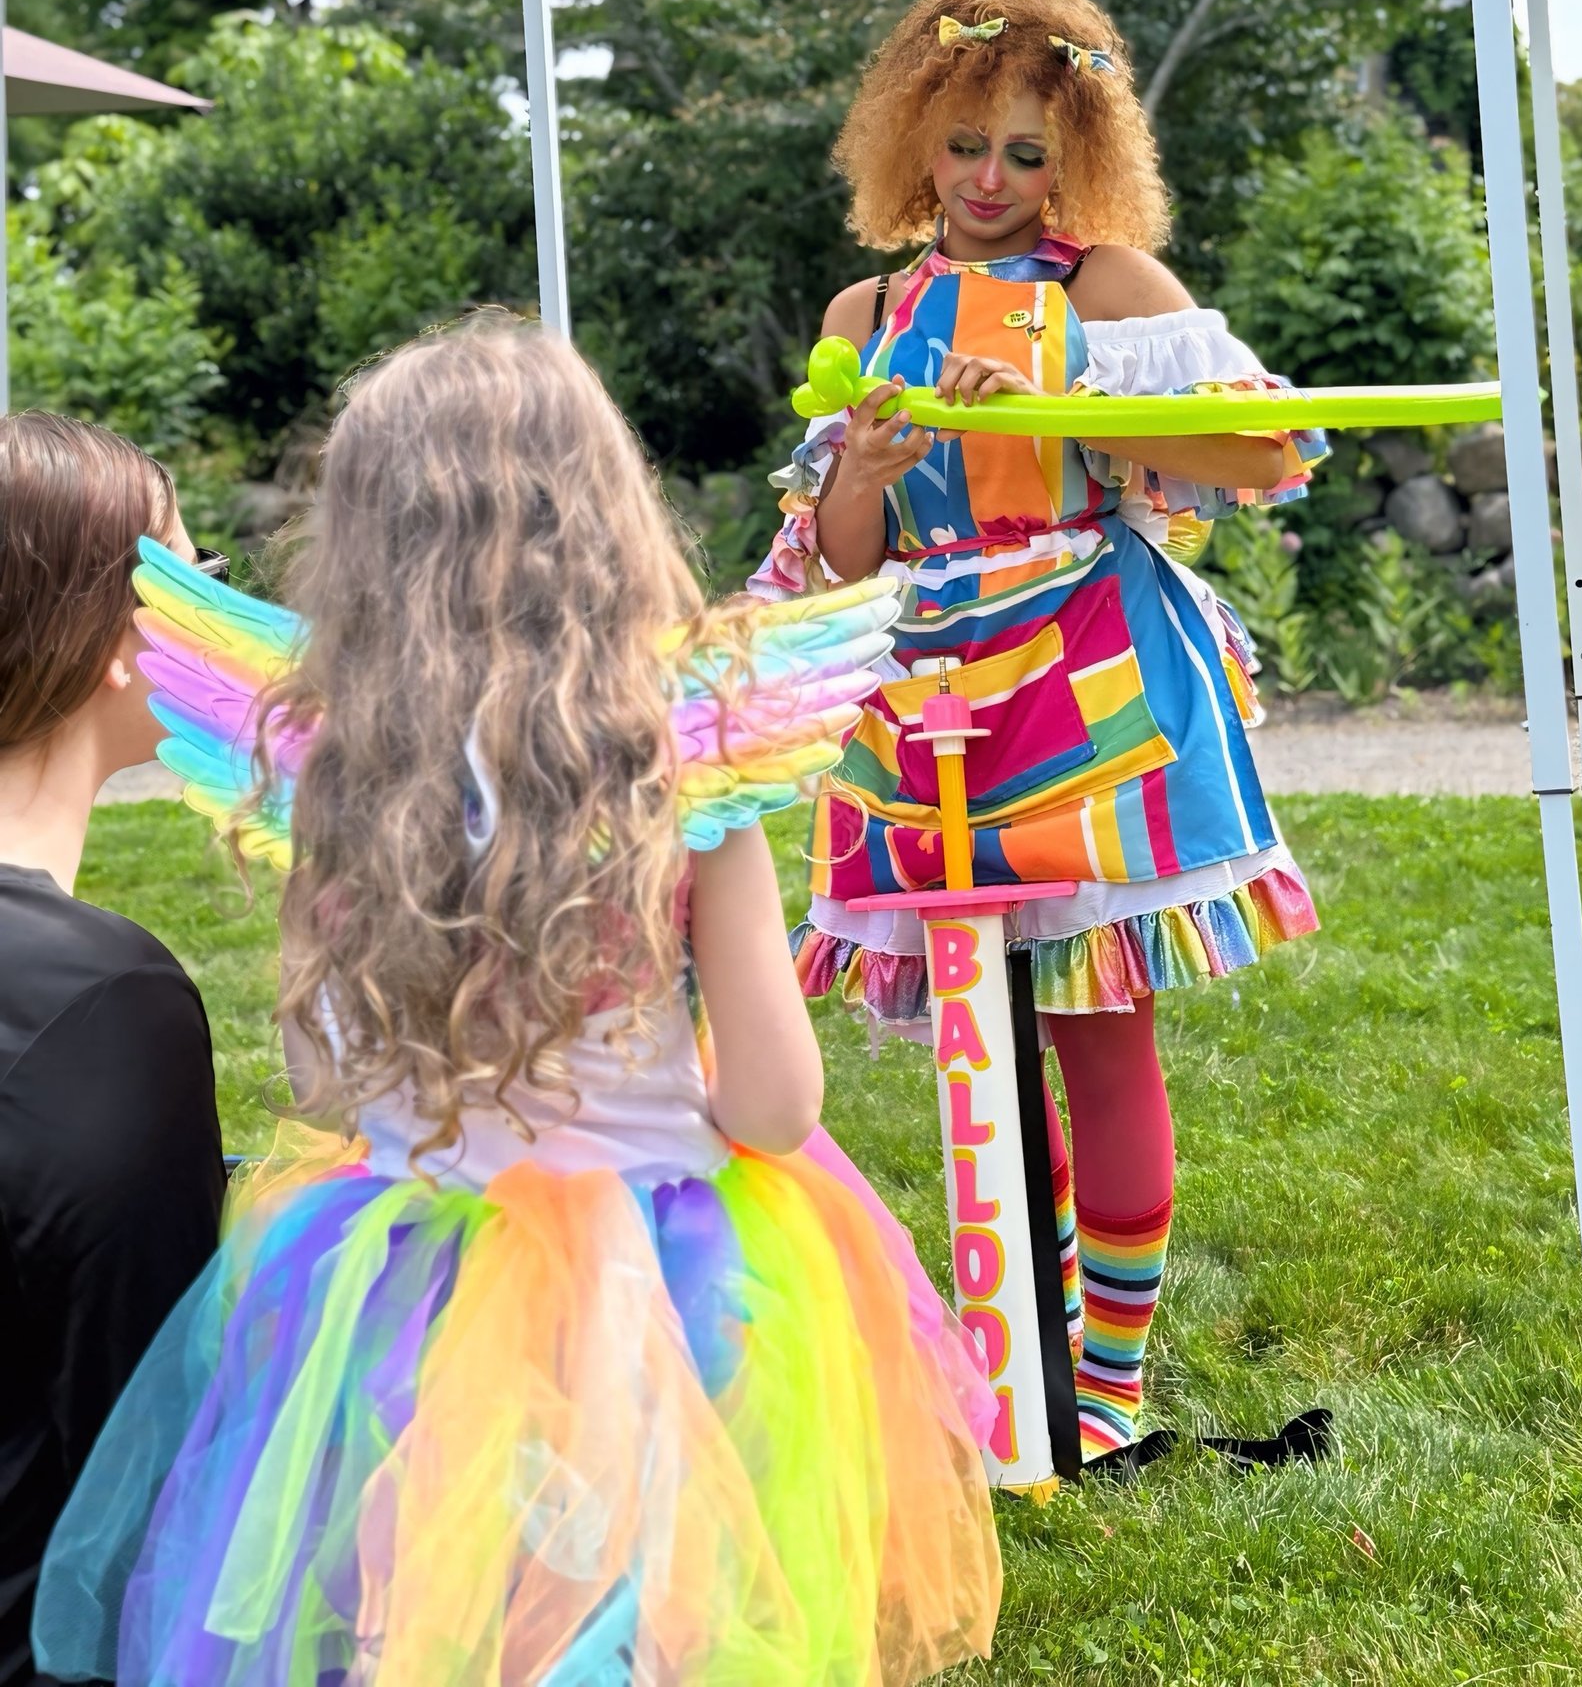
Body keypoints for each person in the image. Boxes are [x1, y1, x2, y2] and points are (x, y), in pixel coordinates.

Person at [34, 314, 1000, 1687]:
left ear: (364, 544)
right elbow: (780, 1107)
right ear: (604, 510)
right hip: (668, 1275)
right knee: (645, 1599)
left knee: (425, 1592)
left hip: (402, 1271)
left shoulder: (333, 764)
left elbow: (324, 1089)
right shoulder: (687, 753)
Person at [751, 0, 1325, 1464]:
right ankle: (1020, 1372)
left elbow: (1266, 450)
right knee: (979, 1042)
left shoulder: (1111, 288)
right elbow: (847, 554)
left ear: (1075, 151)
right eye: (962, 149)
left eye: (1022, 151)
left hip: (1089, 682)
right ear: (909, 148)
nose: (990, 182)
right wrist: (867, 461)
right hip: (926, 701)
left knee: (1101, 1025)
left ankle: (1113, 1389)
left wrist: (1056, 413)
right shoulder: (862, 316)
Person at [0, 414, 225, 1687]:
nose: (223, 611)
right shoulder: (104, 1005)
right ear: (114, 649)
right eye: (194, 577)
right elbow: (148, 1449)